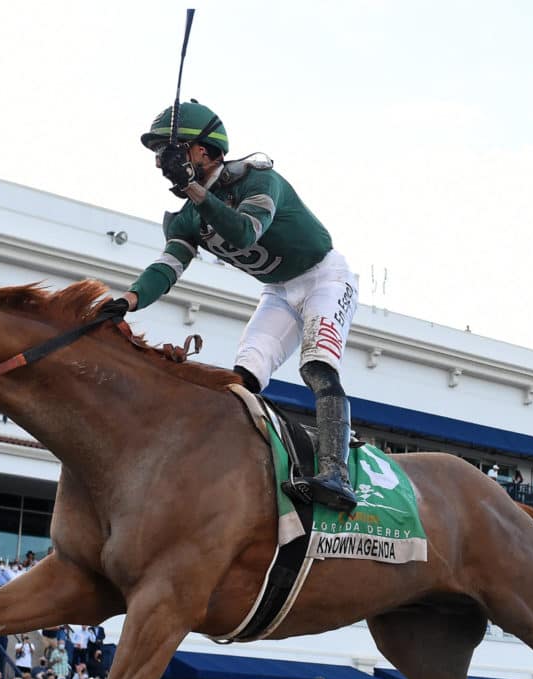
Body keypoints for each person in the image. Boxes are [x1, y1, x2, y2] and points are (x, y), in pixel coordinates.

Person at [123, 101, 360, 512]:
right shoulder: (184, 218)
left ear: (206, 150)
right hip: (278, 290)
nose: (164, 160)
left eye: (174, 149)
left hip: (325, 276)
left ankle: (335, 471)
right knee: (242, 378)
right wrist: (126, 300)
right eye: (162, 152)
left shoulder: (259, 180)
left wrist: (196, 191)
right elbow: (167, 268)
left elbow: (244, 234)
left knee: (316, 366)